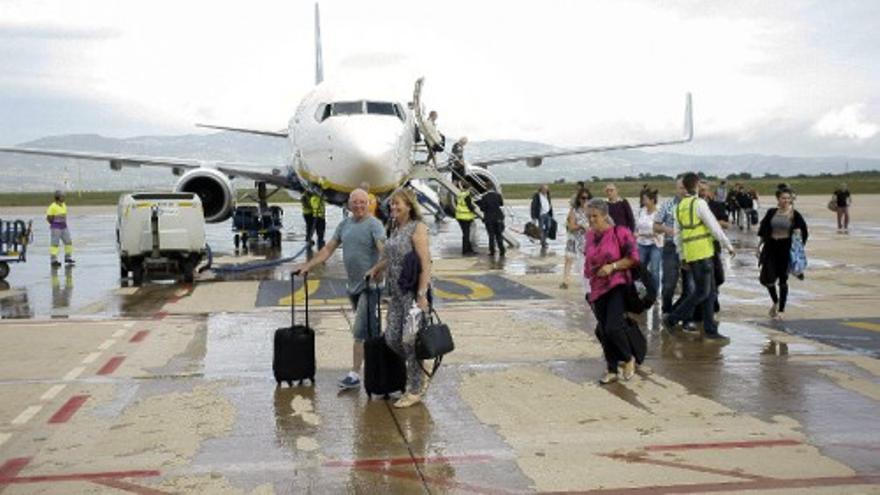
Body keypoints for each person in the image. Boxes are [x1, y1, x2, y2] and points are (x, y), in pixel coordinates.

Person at [294, 189, 386, 391]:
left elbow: (384, 252)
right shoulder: (344, 225)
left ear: (369, 203)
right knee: (371, 330)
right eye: (355, 202)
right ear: (349, 205)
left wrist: (377, 269)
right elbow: (328, 249)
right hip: (352, 286)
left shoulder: (375, 225)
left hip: (370, 287)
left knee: (360, 330)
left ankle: (354, 374)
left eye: (363, 202)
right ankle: (380, 364)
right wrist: (308, 265)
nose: (359, 206)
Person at [365, 189, 432, 408]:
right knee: (392, 338)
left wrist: (422, 295)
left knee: (409, 340)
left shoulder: (417, 228)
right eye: (392, 204)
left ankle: (414, 389)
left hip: (413, 293)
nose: (393, 208)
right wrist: (377, 267)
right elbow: (390, 256)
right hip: (395, 293)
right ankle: (420, 366)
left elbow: (425, 263)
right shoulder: (395, 227)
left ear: (409, 206)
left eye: (398, 204)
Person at [663, 172, 735, 341]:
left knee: (709, 293)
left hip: (692, 254)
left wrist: (682, 256)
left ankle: (710, 330)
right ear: (695, 186)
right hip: (703, 253)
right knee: (702, 292)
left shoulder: (679, 206)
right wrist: (728, 245)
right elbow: (714, 227)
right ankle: (672, 318)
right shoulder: (699, 204)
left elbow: (677, 236)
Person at [584, 198, 640, 384]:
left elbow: (633, 258)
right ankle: (612, 369)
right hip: (597, 287)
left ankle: (628, 358)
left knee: (613, 327)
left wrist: (613, 266)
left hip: (617, 284)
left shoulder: (621, 233)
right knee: (603, 330)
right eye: (588, 216)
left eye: (595, 216)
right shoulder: (590, 236)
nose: (591, 220)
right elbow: (588, 261)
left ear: (605, 215)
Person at [758, 187, 808, 321]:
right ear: (778, 199)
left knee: (782, 280)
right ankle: (775, 301)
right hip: (771, 247)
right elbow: (764, 230)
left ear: (791, 199)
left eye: (788, 198)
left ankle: (781, 310)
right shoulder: (771, 212)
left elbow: (802, 232)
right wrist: (758, 247)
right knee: (767, 279)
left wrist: (799, 245)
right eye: (783, 198)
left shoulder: (794, 214)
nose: (786, 200)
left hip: (785, 249)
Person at [654, 177, 686, 313]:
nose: (684, 191)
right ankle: (666, 310)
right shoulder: (667, 205)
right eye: (681, 188)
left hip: (689, 248)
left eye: (686, 188)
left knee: (690, 285)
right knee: (668, 284)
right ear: (676, 189)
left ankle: (683, 314)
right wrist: (668, 230)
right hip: (670, 247)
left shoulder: (695, 205)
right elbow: (655, 226)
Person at [561, 188, 590, 289]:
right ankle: (566, 280)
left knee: (587, 261)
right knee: (569, 258)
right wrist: (582, 226)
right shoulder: (574, 210)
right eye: (583, 198)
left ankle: (587, 281)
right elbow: (571, 226)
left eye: (587, 198)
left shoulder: (591, 210)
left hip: (587, 240)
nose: (585, 200)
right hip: (574, 239)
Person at [635, 188, 662, 295]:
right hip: (641, 244)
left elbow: (657, 232)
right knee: (640, 268)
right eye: (642, 199)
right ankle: (642, 290)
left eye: (645, 199)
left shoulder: (659, 212)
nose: (643, 201)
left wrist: (641, 234)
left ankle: (655, 293)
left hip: (655, 244)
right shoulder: (642, 211)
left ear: (652, 200)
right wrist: (637, 234)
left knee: (655, 270)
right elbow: (637, 227)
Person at [46, 190, 74, 267]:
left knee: (68, 242)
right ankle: (53, 260)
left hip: (64, 227)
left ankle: (68, 257)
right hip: (56, 228)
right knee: (55, 244)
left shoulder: (64, 205)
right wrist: (54, 224)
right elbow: (49, 218)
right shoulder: (52, 207)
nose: (64, 198)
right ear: (58, 197)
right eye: (62, 196)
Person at [475, 188, 505, 257]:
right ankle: (502, 250)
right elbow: (501, 204)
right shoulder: (498, 195)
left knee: (491, 235)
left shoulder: (484, 197)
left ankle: (492, 251)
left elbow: (482, 208)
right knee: (499, 235)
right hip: (498, 217)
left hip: (489, 218)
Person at [454, 182, 478, 255]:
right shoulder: (467, 195)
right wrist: (474, 208)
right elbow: (469, 206)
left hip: (460, 217)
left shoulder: (460, 195)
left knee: (466, 234)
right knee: (467, 234)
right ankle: (465, 251)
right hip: (466, 217)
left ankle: (469, 249)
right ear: (469, 188)